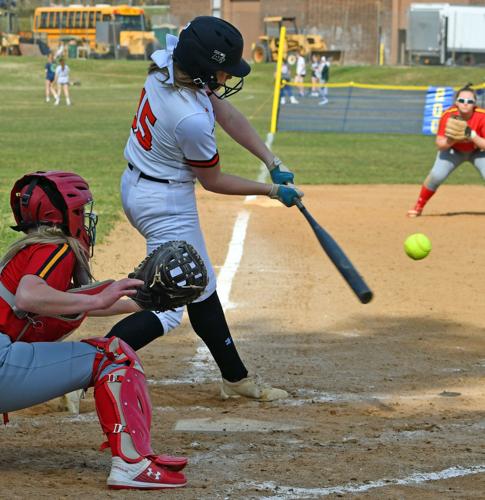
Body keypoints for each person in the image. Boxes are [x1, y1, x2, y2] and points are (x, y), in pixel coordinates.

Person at [109, 16, 303, 402]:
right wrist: (269, 190)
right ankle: (86, 364)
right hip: (164, 202)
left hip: (142, 185)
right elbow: (213, 181)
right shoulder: (191, 120)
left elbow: (227, 114)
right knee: (169, 305)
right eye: (223, 71)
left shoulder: (168, 64)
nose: (228, 78)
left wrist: (271, 160)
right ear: (202, 69)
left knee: (200, 288)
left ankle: (235, 377)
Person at [0, 170, 189, 490]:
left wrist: (143, 300)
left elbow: (75, 301)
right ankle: (132, 463)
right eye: (81, 212)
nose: (86, 220)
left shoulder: (31, 251)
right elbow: (29, 295)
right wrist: (103, 296)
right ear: (65, 216)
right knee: (114, 354)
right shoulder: (56, 247)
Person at [407, 84, 485, 217]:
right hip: (453, 150)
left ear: (475, 104)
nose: (465, 104)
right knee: (437, 175)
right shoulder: (448, 115)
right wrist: (454, 139)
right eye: (461, 100)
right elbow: (440, 144)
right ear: (456, 102)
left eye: (469, 101)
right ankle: (418, 206)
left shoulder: (482, 116)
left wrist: (471, 135)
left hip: (477, 151)